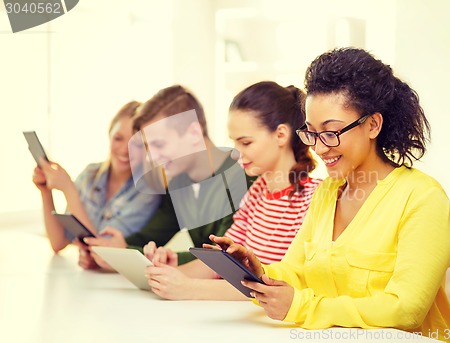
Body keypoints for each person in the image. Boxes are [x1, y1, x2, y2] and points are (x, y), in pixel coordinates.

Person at [207, 48, 450, 342]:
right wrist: (257, 271)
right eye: (311, 133)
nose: (319, 148)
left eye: (331, 132)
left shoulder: (422, 198)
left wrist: (303, 307)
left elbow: (407, 309)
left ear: (373, 124)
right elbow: (296, 272)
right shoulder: (328, 192)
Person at [144, 81, 322, 300]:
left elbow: (280, 287)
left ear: (281, 135)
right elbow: (221, 262)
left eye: (246, 143)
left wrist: (188, 288)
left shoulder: (314, 200)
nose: (236, 153)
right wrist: (166, 275)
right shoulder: (256, 194)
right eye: (234, 143)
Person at [81, 85, 254, 270]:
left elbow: (224, 258)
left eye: (159, 144)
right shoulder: (180, 182)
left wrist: (158, 257)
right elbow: (150, 235)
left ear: (194, 133)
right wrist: (112, 251)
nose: (152, 157)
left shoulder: (245, 179)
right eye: (148, 146)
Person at [32, 101, 161, 255]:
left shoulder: (148, 192)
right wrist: (45, 191)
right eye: (118, 138)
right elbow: (58, 242)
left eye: (137, 144)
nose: (124, 150)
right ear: (109, 135)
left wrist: (69, 191)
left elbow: (103, 251)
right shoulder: (90, 175)